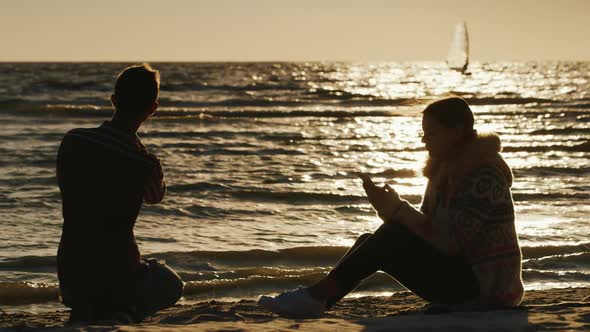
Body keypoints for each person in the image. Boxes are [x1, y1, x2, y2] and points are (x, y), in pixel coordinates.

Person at [258, 97, 524, 317]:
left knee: (390, 236)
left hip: (486, 290)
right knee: (369, 240)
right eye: (423, 133)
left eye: (432, 133)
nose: (424, 140)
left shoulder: (483, 174)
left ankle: (314, 296)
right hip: (458, 278)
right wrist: (386, 208)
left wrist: (398, 210)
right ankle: (319, 301)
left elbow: (452, 243)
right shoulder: (444, 170)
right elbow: (426, 232)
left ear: (456, 132)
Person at [56, 64, 183, 322]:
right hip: (118, 275)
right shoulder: (145, 162)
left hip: (71, 272)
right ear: (152, 109)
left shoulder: (74, 141)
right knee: (171, 283)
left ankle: (89, 305)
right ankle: (125, 311)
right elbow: (155, 197)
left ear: (114, 100)